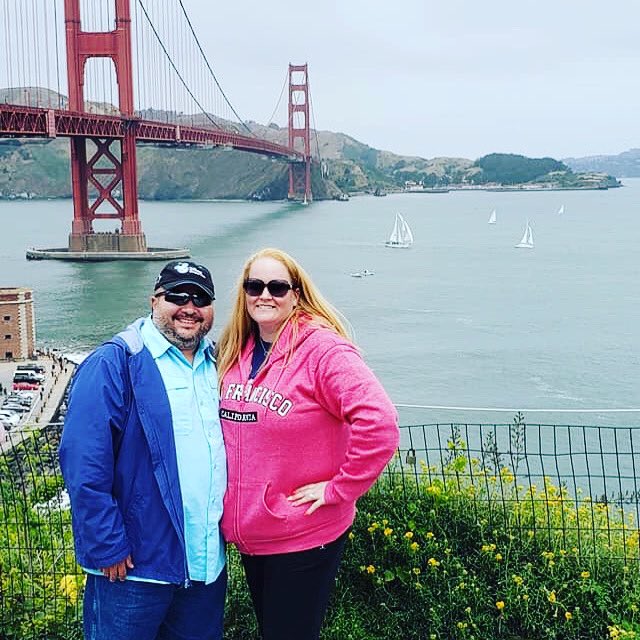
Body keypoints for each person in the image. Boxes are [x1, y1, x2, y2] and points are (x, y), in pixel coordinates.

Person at [216, 247, 400, 640]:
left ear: (296, 295)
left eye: (277, 287)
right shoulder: (236, 351)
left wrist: (339, 489)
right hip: (253, 534)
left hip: (301, 533)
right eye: (254, 286)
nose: (265, 295)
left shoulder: (322, 350)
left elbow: (380, 423)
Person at [59, 260, 226, 640]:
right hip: (134, 567)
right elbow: (83, 462)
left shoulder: (217, 363)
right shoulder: (114, 362)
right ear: (154, 301)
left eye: (200, 298)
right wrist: (106, 545)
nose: (189, 307)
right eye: (177, 296)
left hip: (204, 566)